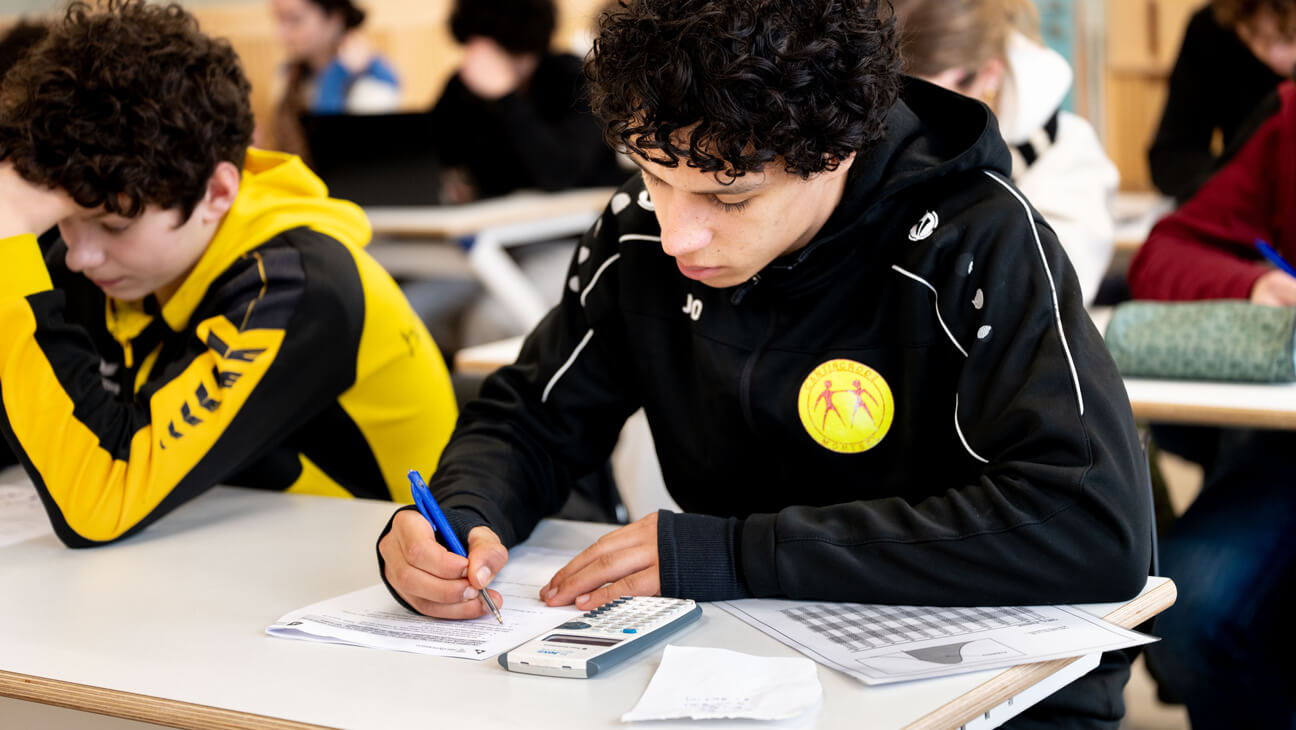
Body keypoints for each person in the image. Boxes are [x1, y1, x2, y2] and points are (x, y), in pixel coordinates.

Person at [378, 0, 1151, 725]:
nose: (680, 234)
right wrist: (460, 516)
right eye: (654, 179)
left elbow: (1090, 526)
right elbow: (535, 417)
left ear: (837, 151)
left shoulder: (975, 240)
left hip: (991, 687)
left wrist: (736, 554)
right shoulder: (643, 232)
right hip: (742, 665)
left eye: (732, 198)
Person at [0, 0, 457, 547]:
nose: (79, 257)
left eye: (114, 227)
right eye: (64, 223)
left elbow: (99, 501)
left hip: (375, 583)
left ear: (218, 193)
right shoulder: (110, 252)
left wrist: (7, 240)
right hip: (226, 554)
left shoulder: (299, 285)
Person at [1128, 81, 1296, 728]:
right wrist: (1253, 284)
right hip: (1283, 450)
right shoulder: (1285, 121)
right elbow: (1161, 256)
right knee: (1190, 608)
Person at [891, 0, 1119, 307]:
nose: (910, 125)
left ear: (990, 75)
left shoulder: (1069, 154)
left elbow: (1042, 298)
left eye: (929, 101)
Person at [427, 0, 626, 202]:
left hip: (584, 217)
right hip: (504, 221)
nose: (480, 59)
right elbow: (439, 160)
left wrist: (506, 97)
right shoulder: (462, 87)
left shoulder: (575, 79)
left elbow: (561, 173)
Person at [1149, 0, 1296, 202]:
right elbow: (1170, 158)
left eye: (1289, 36)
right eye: (1255, 35)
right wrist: (1240, 179)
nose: (1276, 55)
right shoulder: (1211, 29)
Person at [269, 0, 400, 157]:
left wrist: (335, 75)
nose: (280, 33)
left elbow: (331, 151)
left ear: (334, 19)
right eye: (278, 19)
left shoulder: (371, 85)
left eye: (294, 20)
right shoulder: (288, 77)